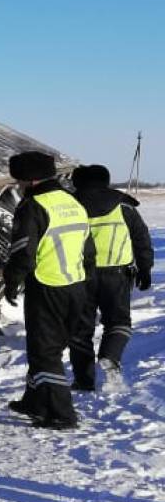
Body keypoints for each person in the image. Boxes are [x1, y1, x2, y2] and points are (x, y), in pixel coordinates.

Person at [3, 151, 95, 429]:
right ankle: (34, 401)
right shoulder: (71, 202)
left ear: (30, 181)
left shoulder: (33, 206)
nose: (17, 186)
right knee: (49, 347)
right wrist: (85, 282)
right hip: (76, 284)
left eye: (19, 180)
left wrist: (11, 280)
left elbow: (23, 252)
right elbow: (88, 249)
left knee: (45, 353)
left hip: (47, 285)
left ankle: (62, 415)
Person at [69, 164, 153, 391]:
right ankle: (110, 356)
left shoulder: (68, 206)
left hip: (79, 276)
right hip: (117, 274)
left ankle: (83, 381)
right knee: (118, 322)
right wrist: (145, 268)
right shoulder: (122, 205)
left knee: (80, 330)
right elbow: (141, 238)